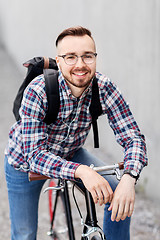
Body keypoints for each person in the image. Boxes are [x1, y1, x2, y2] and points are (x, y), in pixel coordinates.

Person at [4, 26, 147, 240]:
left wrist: (129, 177)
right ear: (58, 60)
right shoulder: (38, 90)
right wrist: (82, 171)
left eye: (87, 56)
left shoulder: (104, 87)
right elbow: (34, 156)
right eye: (70, 57)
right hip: (25, 162)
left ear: (95, 58)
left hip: (70, 152)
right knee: (24, 234)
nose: (80, 65)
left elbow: (134, 137)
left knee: (119, 194)